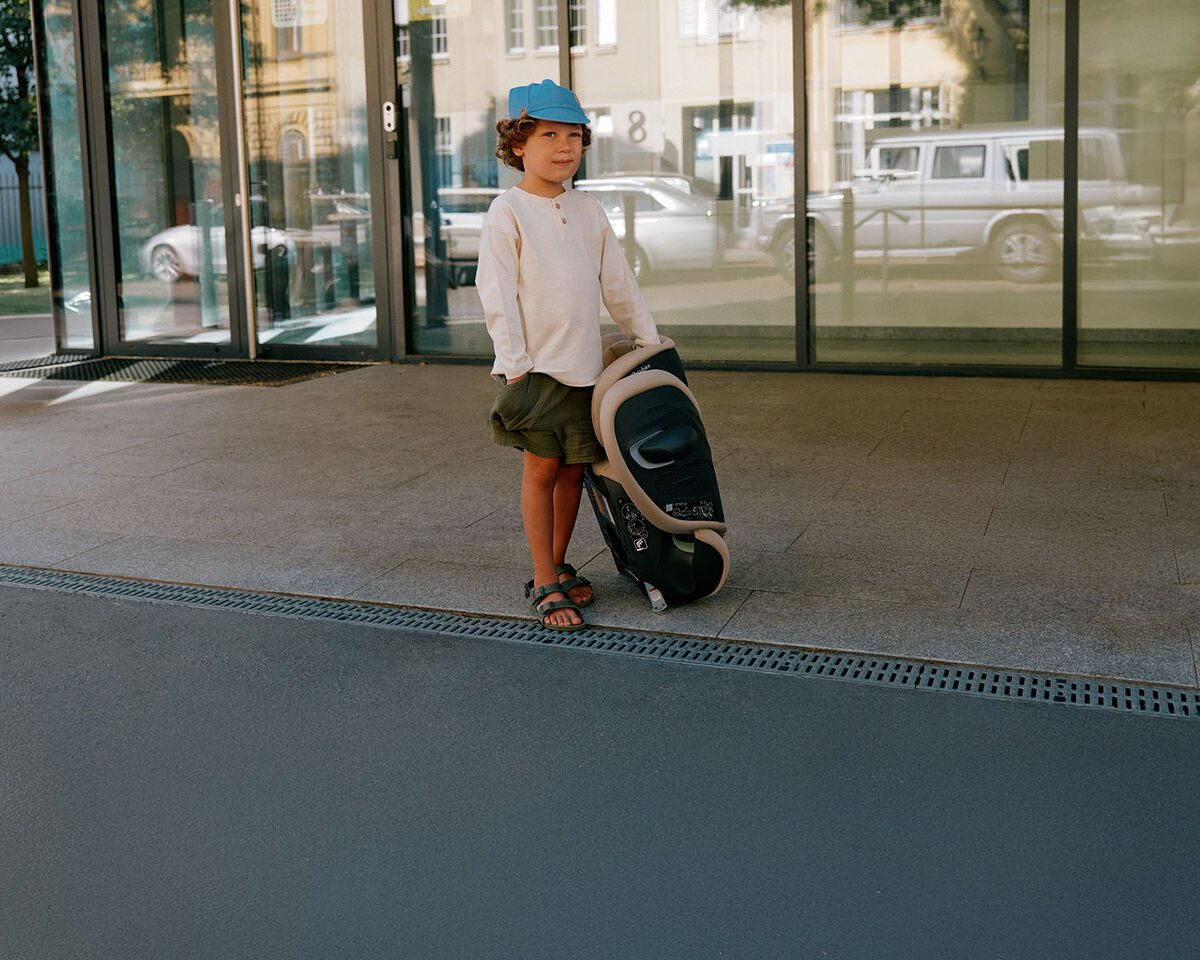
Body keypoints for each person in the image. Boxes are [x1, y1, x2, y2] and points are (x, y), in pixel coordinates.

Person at [477, 79, 660, 631]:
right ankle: (543, 581)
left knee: (574, 473)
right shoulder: (507, 212)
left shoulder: (588, 210)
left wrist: (650, 341)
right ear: (517, 146)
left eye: (574, 136)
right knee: (541, 470)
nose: (564, 147)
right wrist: (515, 367)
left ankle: (556, 563)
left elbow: (618, 283)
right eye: (549, 134)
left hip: (587, 368)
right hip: (535, 370)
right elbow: (498, 294)